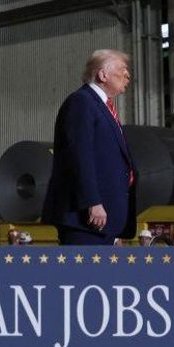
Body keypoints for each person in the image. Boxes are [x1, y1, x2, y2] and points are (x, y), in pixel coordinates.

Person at [42, 49, 137, 245]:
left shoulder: (103, 107)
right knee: (85, 276)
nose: (128, 75)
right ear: (103, 75)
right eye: (122, 69)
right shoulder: (82, 102)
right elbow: (79, 155)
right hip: (85, 219)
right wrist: (92, 201)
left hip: (103, 222)